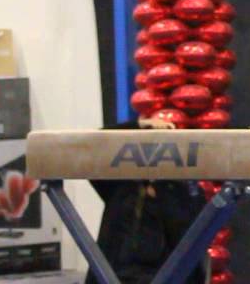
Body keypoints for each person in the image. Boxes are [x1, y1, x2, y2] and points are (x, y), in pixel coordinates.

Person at [87, 117, 207, 284]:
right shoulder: (119, 185)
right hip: (113, 275)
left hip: (160, 276)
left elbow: (191, 241)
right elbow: (93, 145)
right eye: (149, 146)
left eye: (162, 148)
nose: (155, 154)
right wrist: (138, 125)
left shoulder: (182, 193)